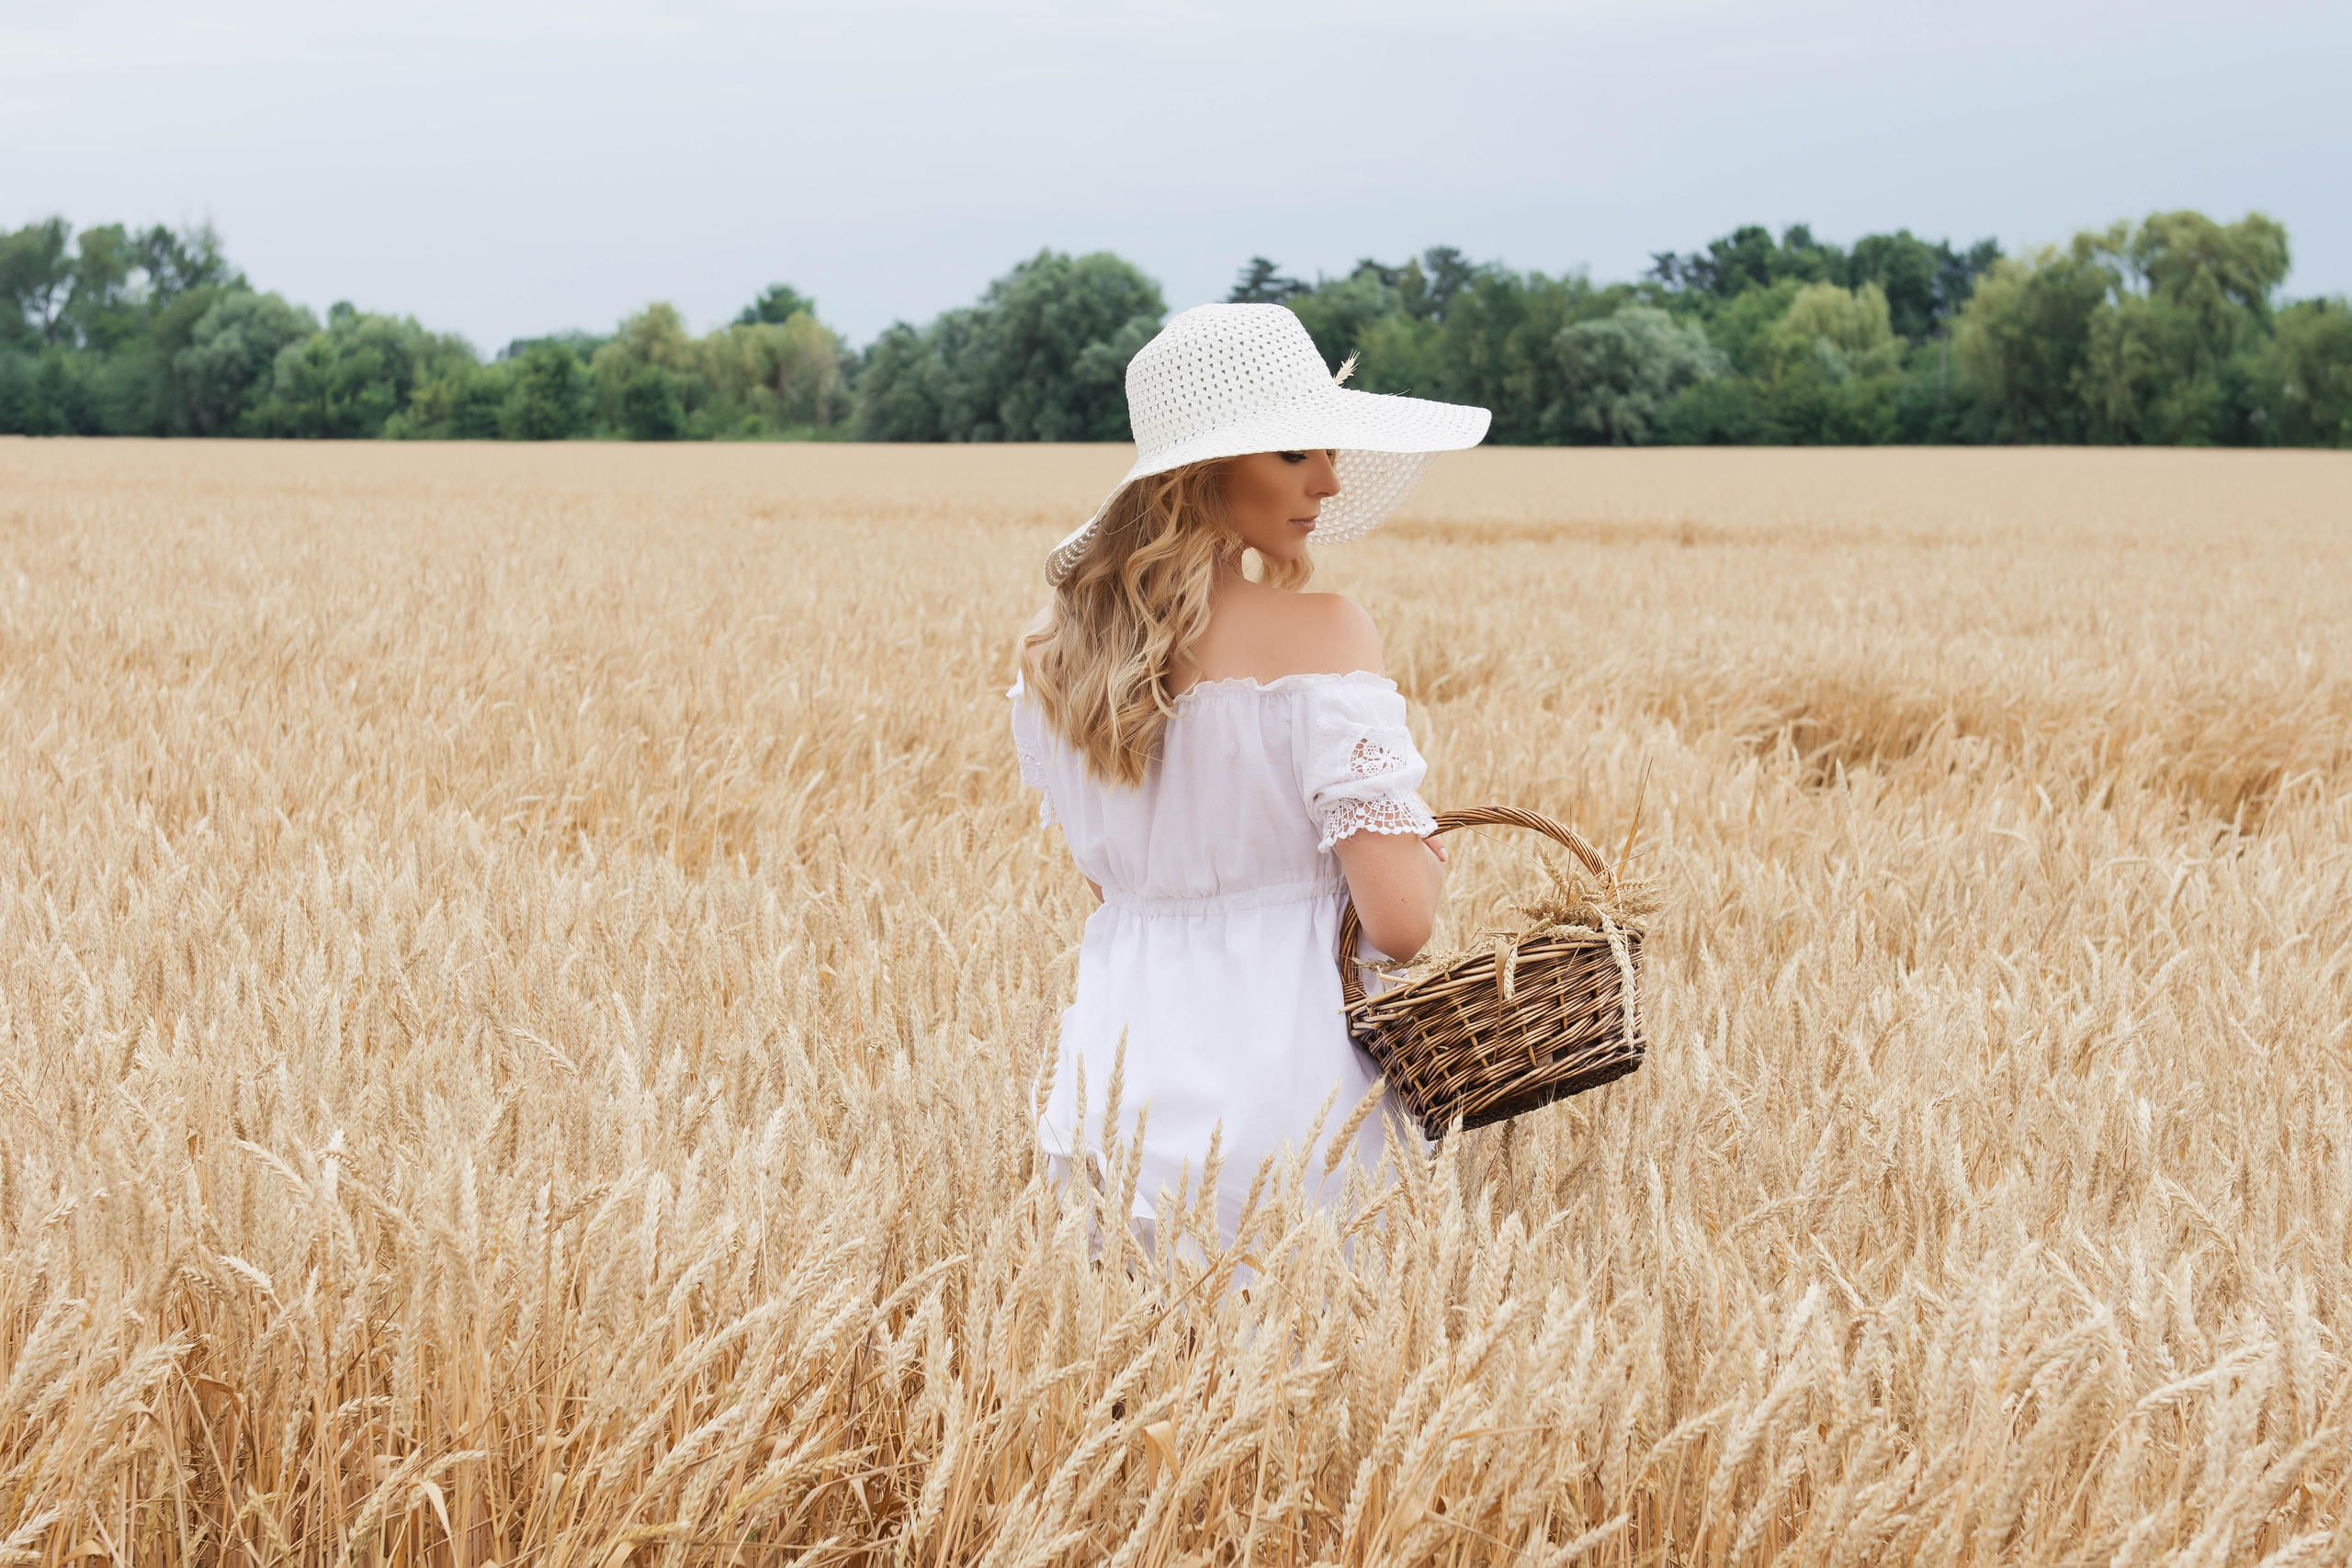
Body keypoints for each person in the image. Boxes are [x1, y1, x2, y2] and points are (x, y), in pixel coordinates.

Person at [1009, 303, 1491, 1242]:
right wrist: (1424, 855)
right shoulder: (1325, 632)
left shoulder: (1055, 657)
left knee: (1127, 1338)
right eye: (1294, 452)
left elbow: (1117, 887)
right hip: (1297, 1109)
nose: (1329, 480)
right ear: (1204, 472)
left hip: (1110, 1111)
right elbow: (1400, 927)